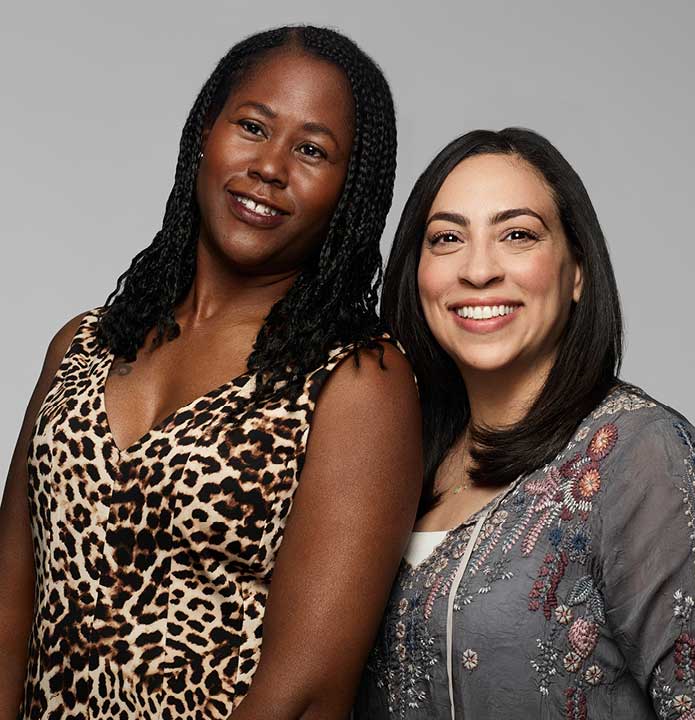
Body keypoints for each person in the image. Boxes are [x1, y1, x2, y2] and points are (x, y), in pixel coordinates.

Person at [0, 25, 423, 720]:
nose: (270, 166)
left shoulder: (358, 384)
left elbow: (306, 693)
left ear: (350, 192)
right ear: (205, 133)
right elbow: (9, 618)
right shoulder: (80, 346)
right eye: (253, 126)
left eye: (312, 150)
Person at [354, 128, 695, 719]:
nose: (478, 270)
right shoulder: (393, 462)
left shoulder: (640, 456)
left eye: (517, 235)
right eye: (447, 238)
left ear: (576, 270)